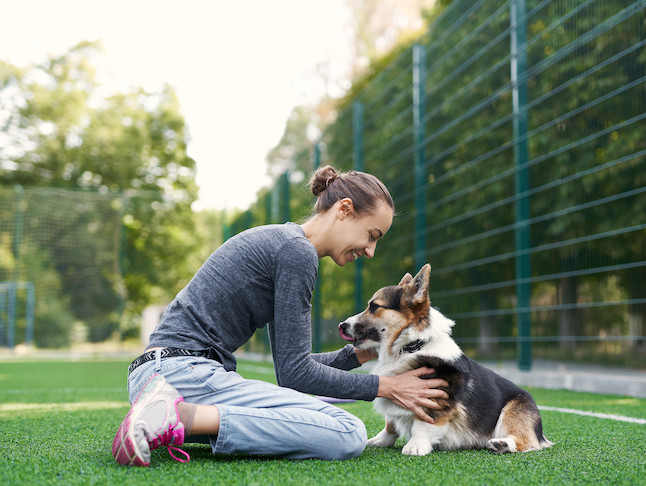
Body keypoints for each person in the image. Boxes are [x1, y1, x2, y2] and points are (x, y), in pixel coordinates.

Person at [112, 165, 449, 466]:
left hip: (160, 374)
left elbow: (291, 365)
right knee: (348, 431)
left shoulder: (286, 244)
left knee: (321, 422)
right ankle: (176, 414)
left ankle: (166, 415)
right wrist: (387, 386)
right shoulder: (297, 252)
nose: (371, 251)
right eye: (371, 235)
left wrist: (359, 354)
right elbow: (295, 375)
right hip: (184, 374)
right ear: (344, 210)